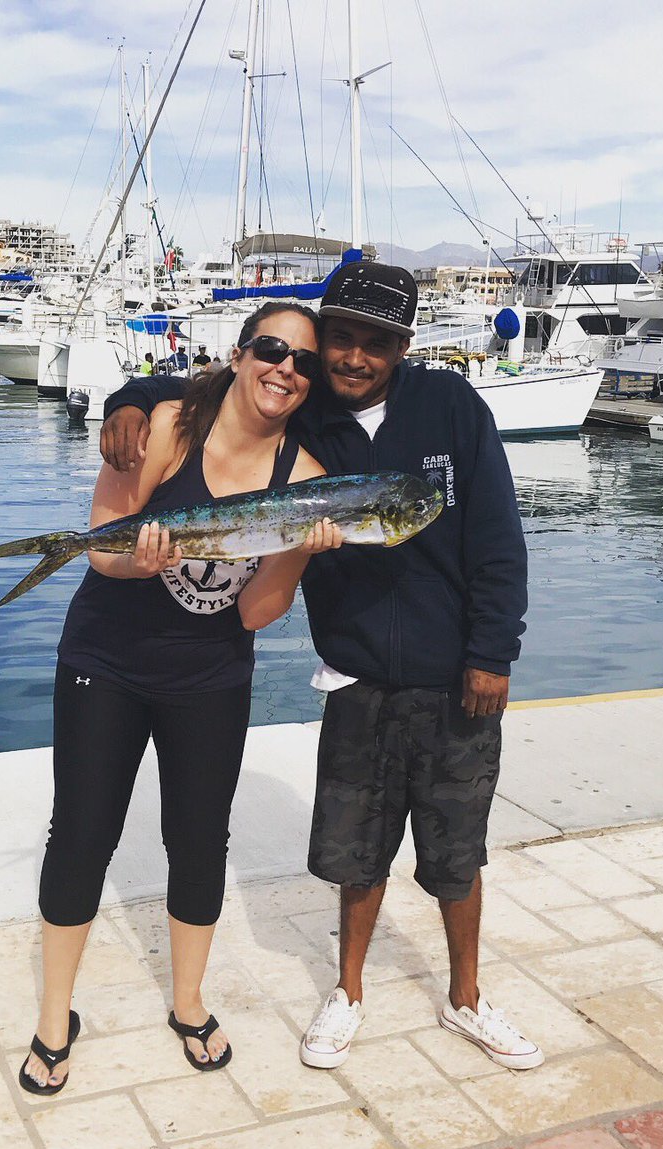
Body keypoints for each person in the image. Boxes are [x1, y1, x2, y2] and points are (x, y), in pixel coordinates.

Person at [99, 261, 543, 1075]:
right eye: (341, 337)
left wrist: (491, 654)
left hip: (454, 673)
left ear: (402, 347)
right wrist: (128, 398)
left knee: (457, 851)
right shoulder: (309, 416)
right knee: (354, 852)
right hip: (354, 672)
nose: (354, 357)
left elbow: (496, 538)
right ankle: (347, 991)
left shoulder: (451, 406)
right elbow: (212, 385)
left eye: (377, 342)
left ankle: (466, 996)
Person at [20, 301, 341, 1096]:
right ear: (239, 353)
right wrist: (137, 560)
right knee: (80, 835)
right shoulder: (165, 425)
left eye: (303, 362)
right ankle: (54, 1018)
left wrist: (297, 553)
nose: (285, 369)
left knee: (199, 841)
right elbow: (101, 542)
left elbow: (255, 612)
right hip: (106, 660)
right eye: (272, 349)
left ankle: (187, 1002)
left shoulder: (305, 480)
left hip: (210, 676)